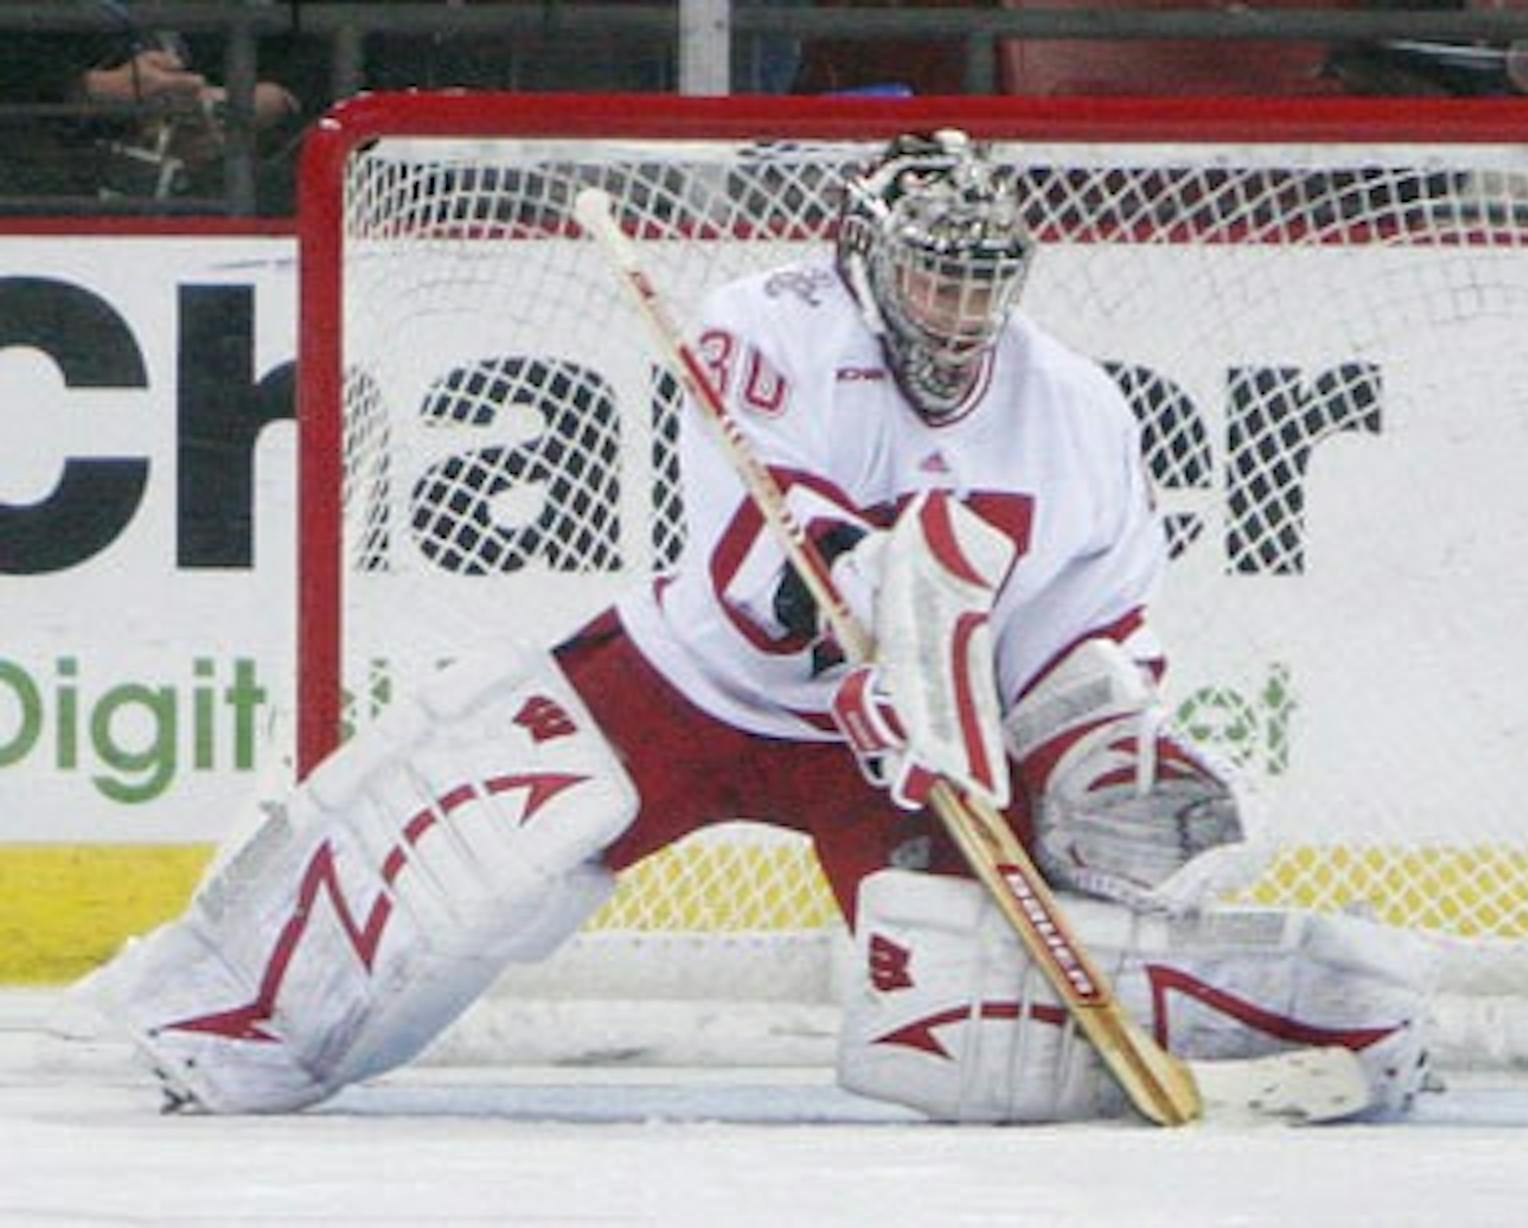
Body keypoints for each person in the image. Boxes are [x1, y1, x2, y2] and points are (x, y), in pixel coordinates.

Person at [82, 130, 1435, 1124]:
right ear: (867, 255)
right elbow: (755, 545)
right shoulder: (769, 321)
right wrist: (865, 622)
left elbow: (1100, 613)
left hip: (899, 756)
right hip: (694, 686)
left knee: (970, 1008)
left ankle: (1329, 1008)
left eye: (982, 283)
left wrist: (1091, 735)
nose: (961, 313)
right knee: (465, 844)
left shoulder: (1075, 406)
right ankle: (227, 1016)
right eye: (934, 279)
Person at [0, 20, 299, 208]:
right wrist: (93, 88)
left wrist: (262, 100)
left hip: (214, 190)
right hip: (53, 189)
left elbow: (305, 58)